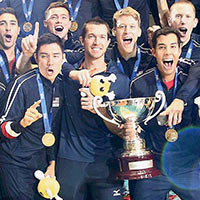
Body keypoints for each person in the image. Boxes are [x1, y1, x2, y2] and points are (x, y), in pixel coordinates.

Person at [56, 17, 130, 200]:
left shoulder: (120, 81)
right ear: (82, 41)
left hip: (105, 162)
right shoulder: (67, 74)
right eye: (91, 37)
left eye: (102, 37)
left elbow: (121, 130)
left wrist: (99, 109)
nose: (97, 42)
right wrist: (71, 72)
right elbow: (51, 58)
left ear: (108, 42)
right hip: (70, 161)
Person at [127, 27, 200, 200]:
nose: (168, 52)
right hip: (154, 167)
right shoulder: (139, 85)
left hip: (187, 166)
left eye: (173, 46)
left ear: (180, 51)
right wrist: (130, 130)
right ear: (153, 52)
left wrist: (181, 99)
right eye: (161, 47)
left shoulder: (191, 80)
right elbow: (138, 126)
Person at [0, 33, 64, 199]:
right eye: (44, 56)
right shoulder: (21, 84)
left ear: (62, 58)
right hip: (16, 164)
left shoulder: (62, 85)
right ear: (36, 57)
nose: (50, 62)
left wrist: (52, 164)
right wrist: (21, 124)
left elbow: (55, 130)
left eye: (55, 56)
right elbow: (2, 128)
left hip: (42, 165)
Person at [107, 6, 156, 82]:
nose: (127, 31)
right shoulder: (105, 58)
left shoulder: (150, 59)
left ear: (139, 32)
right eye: (122, 27)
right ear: (114, 32)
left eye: (132, 27)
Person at [0, 7, 24, 114]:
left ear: (18, 30)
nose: (8, 28)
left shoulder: (28, 60)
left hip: (19, 125)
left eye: (12, 23)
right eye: (2, 23)